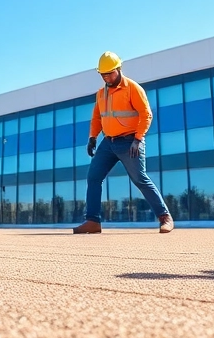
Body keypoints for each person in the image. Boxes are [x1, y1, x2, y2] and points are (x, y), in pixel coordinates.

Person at [73, 52, 174, 234]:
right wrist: (92, 137)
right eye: (103, 74)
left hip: (130, 141)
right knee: (93, 177)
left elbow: (146, 114)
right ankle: (93, 221)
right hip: (108, 143)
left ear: (118, 69)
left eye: (109, 73)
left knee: (140, 179)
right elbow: (97, 117)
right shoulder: (101, 94)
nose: (106, 77)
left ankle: (165, 217)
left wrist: (138, 139)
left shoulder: (132, 88)